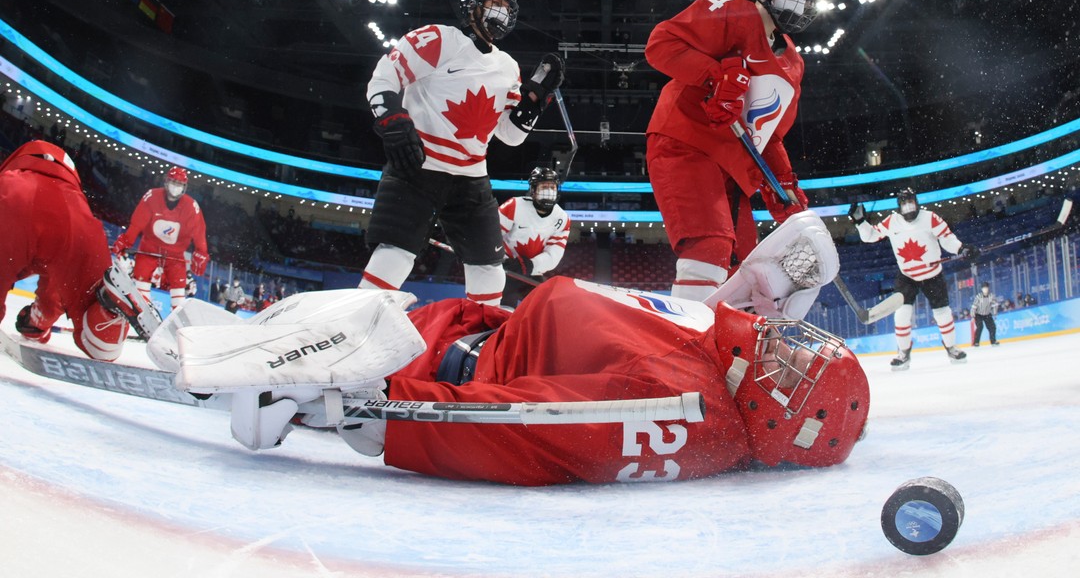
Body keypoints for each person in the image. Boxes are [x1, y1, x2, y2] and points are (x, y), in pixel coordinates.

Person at [171, 210, 868, 485]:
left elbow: (528, 427)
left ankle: (243, 367)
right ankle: (239, 346)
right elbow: (773, 265)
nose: (790, 345)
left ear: (781, 417)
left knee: (337, 317)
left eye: (798, 368)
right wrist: (770, 277)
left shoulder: (690, 414)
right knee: (320, 315)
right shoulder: (725, 354)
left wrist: (367, 411)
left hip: (427, 361)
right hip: (474, 326)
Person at [360, 0, 564, 306]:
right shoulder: (439, 38)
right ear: (472, 7)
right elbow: (384, 77)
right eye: (494, 3)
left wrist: (534, 101)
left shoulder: (508, 66)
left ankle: (479, 342)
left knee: (489, 272)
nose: (501, 12)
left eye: (507, 8)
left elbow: (511, 136)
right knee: (394, 258)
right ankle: (353, 328)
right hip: (417, 168)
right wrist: (392, 121)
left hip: (471, 180)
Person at [644, 0, 821, 300]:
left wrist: (783, 186)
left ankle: (729, 348)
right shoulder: (733, 12)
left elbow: (769, 137)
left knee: (744, 263)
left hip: (735, 168)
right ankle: (689, 345)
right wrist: (716, 76)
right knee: (709, 248)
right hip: (687, 143)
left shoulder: (794, 64)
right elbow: (661, 44)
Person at [0, 141, 152, 360]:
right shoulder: (72, 195)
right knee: (96, 332)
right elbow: (52, 297)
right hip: (73, 211)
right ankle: (107, 312)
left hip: (12, 194)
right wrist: (36, 324)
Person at [849, 188, 978, 369]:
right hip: (907, 276)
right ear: (899, 206)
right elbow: (871, 236)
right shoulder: (892, 221)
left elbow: (947, 238)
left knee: (943, 313)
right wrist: (860, 222)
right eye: (904, 203)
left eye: (911, 202)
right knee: (901, 315)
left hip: (932, 274)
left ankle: (951, 348)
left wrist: (961, 248)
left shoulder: (930, 218)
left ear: (917, 202)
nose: (908, 207)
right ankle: (903, 354)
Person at [112, 166, 209, 310]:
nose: (175, 187)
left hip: (175, 254)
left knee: (178, 285)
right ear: (166, 181)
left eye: (179, 184)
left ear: (184, 187)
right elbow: (137, 223)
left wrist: (201, 251)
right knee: (141, 276)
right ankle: (142, 309)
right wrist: (127, 240)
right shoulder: (152, 196)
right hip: (149, 248)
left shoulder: (191, 206)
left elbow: (199, 232)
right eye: (173, 182)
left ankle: (177, 319)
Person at [499, 166, 571, 305]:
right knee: (502, 312)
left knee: (544, 309)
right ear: (533, 190)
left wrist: (530, 265)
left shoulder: (562, 219)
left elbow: (553, 254)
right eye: (544, 186)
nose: (549, 191)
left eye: (552, 187)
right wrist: (502, 260)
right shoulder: (513, 206)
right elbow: (492, 235)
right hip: (505, 270)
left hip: (532, 271)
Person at [970, 281, 999, 347]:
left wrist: (994, 314)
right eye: (983, 288)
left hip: (987, 314)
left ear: (988, 288)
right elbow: (974, 306)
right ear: (982, 289)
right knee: (980, 327)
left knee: (992, 327)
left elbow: (995, 305)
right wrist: (972, 316)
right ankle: (976, 342)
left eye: (986, 288)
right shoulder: (978, 297)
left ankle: (993, 341)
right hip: (978, 314)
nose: (985, 289)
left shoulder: (991, 296)